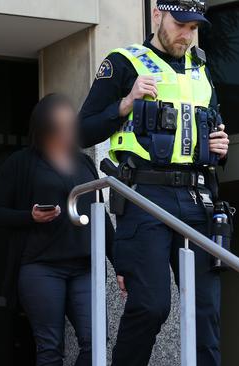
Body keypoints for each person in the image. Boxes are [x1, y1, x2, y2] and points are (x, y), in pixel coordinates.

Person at [78, 1, 230, 365]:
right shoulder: (123, 62)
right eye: (181, 25)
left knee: (204, 315)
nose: (187, 36)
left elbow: (213, 128)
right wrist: (125, 103)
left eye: (194, 29)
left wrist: (221, 147)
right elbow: (82, 130)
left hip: (198, 197)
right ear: (157, 16)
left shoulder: (202, 70)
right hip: (146, 196)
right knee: (150, 304)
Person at [0, 94, 114, 366]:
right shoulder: (20, 163)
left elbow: (99, 213)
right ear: (43, 127)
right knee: (50, 348)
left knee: (96, 344)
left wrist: (121, 266)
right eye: (59, 125)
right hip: (41, 266)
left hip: (84, 267)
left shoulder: (84, 163)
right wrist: (30, 216)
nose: (66, 131)